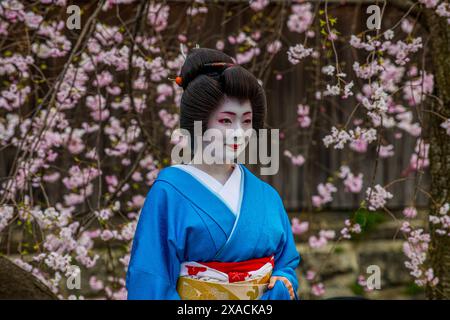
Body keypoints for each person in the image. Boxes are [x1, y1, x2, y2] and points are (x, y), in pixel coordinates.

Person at [126, 48, 300, 300]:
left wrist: (283, 283)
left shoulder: (267, 196)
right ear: (199, 123)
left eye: (247, 121)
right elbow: (150, 281)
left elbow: (286, 266)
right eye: (226, 121)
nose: (239, 133)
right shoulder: (168, 192)